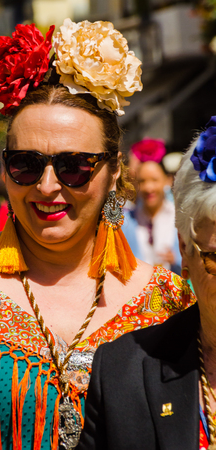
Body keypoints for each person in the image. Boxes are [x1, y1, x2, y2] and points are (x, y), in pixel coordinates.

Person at [0, 19, 193, 450]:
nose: (47, 186)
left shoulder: (172, 302)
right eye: (26, 164)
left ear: (114, 170)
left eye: (74, 166)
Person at [78, 116, 216, 450]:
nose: (149, 188)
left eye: (154, 180)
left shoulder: (169, 214)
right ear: (187, 249)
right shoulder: (125, 218)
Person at [123, 160, 181, 273]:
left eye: (154, 180)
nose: (149, 187)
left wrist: (177, 260)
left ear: (168, 180)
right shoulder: (126, 221)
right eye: (142, 181)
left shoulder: (180, 218)